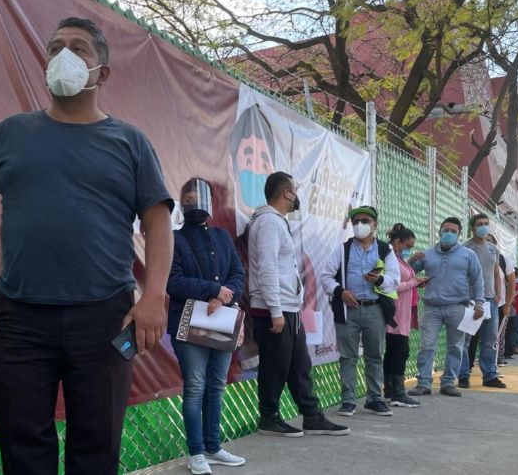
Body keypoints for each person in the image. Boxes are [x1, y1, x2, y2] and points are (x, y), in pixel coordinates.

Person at [0, 17, 175, 474]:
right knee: (23, 452)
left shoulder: (129, 142)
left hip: (103, 318)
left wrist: (155, 295)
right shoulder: (11, 134)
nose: (64, 55)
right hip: (21, 319)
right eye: (55, 46)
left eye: (79, 48)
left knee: (96, 451)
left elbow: (158, 224)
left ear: (103, 71)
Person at [248, 171, 349, 437]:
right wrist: (275, 311)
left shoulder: (277, 221)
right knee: (274, 367)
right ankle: (268, 418)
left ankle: (311, 416)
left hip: (288, 309)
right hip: (275, 310)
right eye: (295, 189)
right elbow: (267, 268)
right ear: (286, 193)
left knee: (299, 365)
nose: (297, 195)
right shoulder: (269, 222)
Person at [166, 178, 246, 474]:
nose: (194, 204)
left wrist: (225, 295)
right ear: (181, 203)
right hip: (187, 325)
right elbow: (171, 282)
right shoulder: (174, 238)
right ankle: (196, 452)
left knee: (216, 385)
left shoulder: (223, 237)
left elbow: (238, 275)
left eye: (198, 198)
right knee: (195, 386)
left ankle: (213, 447)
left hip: (222, 321)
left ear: (210, 203)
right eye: (187, 199)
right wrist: (211, 291)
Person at [320, 206, 401, 416]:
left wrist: (380, 279)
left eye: (365, 221)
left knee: (375, 355)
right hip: (348, 310)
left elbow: (395, 280)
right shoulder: (343, 249)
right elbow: (326, 277)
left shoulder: (385, 250)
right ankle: (348, 400)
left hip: (374, 309)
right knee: (348, 356)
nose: (360, 225)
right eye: (356, 221)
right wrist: (341, 292)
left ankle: (374, 398)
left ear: (375, 225)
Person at [407, 217, 485, 398]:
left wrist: (479, 303)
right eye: (446, 230)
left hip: (458, 307)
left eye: (453, 231)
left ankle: (449, 382)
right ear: (440, 231)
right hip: (431, 308)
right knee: (426, 345)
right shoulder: (426, 254)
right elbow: (407, 273)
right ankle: (424, 383)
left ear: (459, 234)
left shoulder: (468, 255)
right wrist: (411, 260)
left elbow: (477, 280)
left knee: (456, 347)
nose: (449, 234)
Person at [458, 214, 506, 389]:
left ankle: (489, 375)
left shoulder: (493, 249)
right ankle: (463, 374)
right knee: (466, 339)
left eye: (486, 224)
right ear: (472, 227)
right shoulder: (465, 248)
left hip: (490, 301)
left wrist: (498, 293)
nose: (484, 227)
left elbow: (496, 273)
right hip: (471, 300)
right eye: (480, 224)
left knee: (490, 338)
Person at [382, 223, 425, 408]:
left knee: (394, 352)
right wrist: (413, 283)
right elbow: (390, 285)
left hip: (403, 311)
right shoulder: (388, 257)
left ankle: (391, 390)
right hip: (394, 312)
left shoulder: (399, 259)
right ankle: (398, 393)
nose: (408, 250)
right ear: (398, 242)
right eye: (407, 246)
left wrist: (415, 282)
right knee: (399, 352)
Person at [484, 233, 516, 365]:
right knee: (472, 337)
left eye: (490, 241)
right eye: (485, 241)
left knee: (495, 336)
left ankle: (496, 361)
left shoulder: (503, 260)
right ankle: (466, 369)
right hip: (477, 302)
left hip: (498, 304)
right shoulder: (472, 255)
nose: (487, 243)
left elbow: (511, 283)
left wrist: (507, 305)